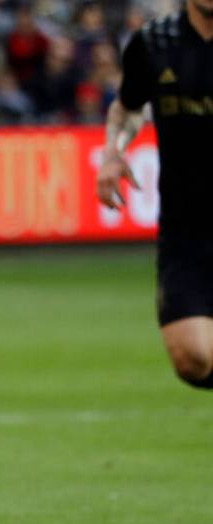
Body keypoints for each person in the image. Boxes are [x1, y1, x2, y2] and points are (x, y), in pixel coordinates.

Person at [98, 2, 213, 389]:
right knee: (192, 359)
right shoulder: (153, 42)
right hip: (186, 229)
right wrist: (114, 151)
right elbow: (128, 108)